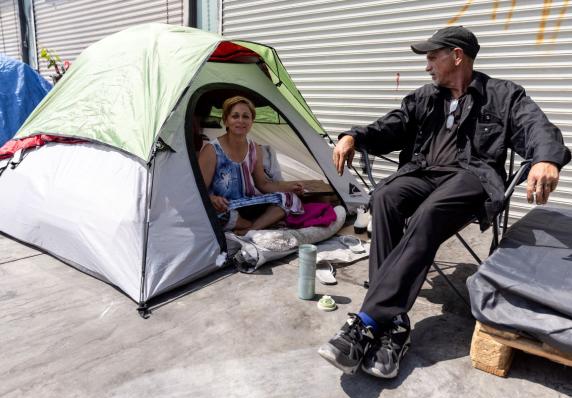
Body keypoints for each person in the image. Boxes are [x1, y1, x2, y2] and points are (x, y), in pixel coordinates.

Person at [318, 26, 571, 379]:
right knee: (387, 196)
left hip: (471, 177)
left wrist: (546, 159)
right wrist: (352, 135)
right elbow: (390, 126)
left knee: (430, 211)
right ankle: (392, 326)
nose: (427, 67)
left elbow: (537, 127)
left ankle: (368, 320)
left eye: (432, 57)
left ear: (456, 56)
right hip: (422, 172)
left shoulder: (502, 94)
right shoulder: (424, 97)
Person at [199, 95, 305, 234]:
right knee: (208, 213)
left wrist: (290, 186)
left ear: (251, 121)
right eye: (235, 116)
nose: (240, 121)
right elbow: (198, 191)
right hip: (224, 207)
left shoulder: (254, 148)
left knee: (290, 199)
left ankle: (249, 230)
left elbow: (263, 184)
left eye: (246, 116)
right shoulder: (212, 150)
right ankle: (252, 224)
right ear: (226, 121)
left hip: (247, 203)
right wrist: (212, 199)